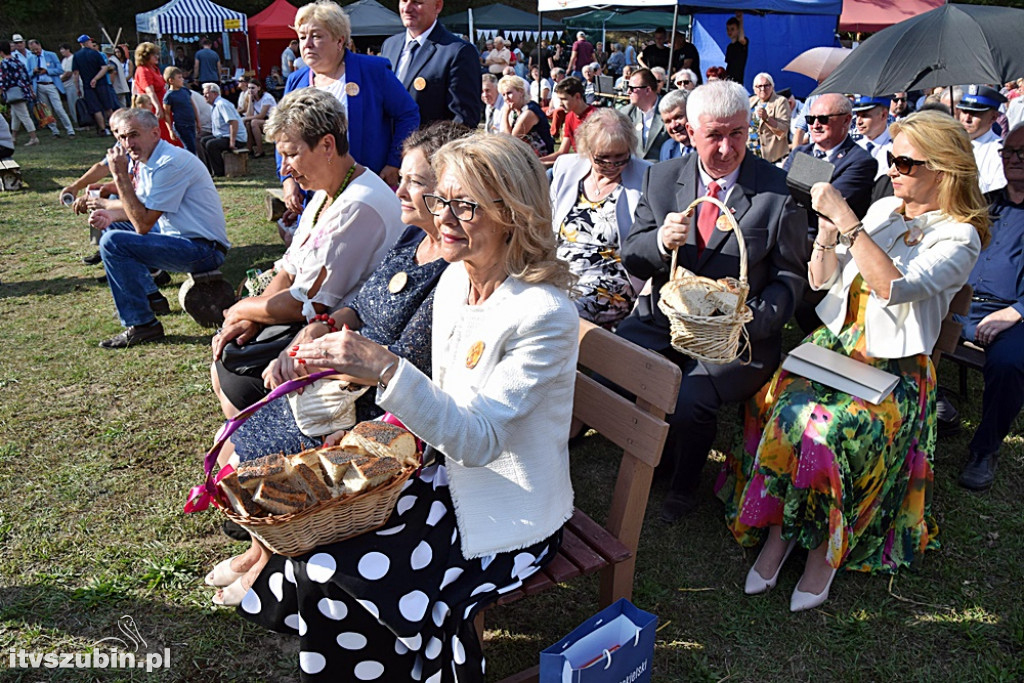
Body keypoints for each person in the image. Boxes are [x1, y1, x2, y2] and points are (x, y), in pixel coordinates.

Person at [231, 132, 578, 682]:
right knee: (321, 552)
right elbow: (443, 408)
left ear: (513, 214)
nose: (444, 216)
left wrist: (388, 370)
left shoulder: (543, 313)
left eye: (465, 205)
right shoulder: (455, 284)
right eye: (442, 200)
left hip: (512, 512)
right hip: (444, 481)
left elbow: (480, 439)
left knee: (345, 573)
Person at [716, 110, 987, 611]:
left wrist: (848, 221)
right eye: (892, 158)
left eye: (905, 161)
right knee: (778, 408)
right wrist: (826, 234)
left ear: (944, 169)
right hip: (840, 349)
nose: (894, 169)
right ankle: (782, 529)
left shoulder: (959, 235)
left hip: (896, 369)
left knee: (827, 431)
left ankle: (823, 548)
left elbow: (893, 286)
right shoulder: (885, 212)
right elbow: (823, 279)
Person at [204, 122, 471, 605]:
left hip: (384, 406)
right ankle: (261, 552)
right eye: (403, 178)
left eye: (416, 182)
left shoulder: (455, 265)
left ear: (451, 191)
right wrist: (318, 328)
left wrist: (318, 364)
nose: (400, 190)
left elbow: (407, 364)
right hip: (344, 378)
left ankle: (267, 565)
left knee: (267, 460)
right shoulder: (414, 239)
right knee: (239, 447)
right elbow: (361, 306)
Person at [616, 79, 808, 524]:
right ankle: (654, 455)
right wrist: (661, 242)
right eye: (714, 136)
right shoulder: (662, 177)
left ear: (749, 128)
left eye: (737, 134)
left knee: (691, 398)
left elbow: (790, 279)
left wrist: (745, 322)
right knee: (620, 363)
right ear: (689, 130)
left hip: (737, 337)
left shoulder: (779, 192)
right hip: (669, 318)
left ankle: (683, 484)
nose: (726, 148)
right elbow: (634, 254)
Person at [211, 88, 403, 416]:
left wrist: (240, 309)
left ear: (327, 145)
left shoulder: (358, 204)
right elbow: (288, 270)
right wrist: (251, 320)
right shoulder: (326, 192)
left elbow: (308, 303)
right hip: (314, 323)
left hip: (345, 340)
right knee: (227, 357)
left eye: (291, 154)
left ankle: (255, 451)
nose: (284, 168)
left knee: (234, 376)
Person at [91, 108, 230, 348]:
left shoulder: (169, 163)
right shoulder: (150, 159)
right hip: (179, 238)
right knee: (114, 230)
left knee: (113, 242)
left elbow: (143, 224)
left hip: (203, 249)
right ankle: (151, 298)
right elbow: (141, 209)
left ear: (155, 133)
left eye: (133, 135)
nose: (127, 143)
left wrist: (120, 176)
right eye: (122, 137)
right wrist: (110, 214)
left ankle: (143, 324)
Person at [945, 123, 1024, 491]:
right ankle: (933, 406)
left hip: (1012, 313)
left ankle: (985, 448)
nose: (1014, 160)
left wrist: (1014, 312)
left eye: (1022, 153)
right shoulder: (983, 203)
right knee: (909, 324)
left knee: (1009, 364)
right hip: (961, 301)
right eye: (1008, 152)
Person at [282, 0, 419, 195]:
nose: (307, 44)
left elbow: (408, 114)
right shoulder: (296, 81)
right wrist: (288, 180)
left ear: (339, 41)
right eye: (303, 37)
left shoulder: (373, 70)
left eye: (316, 36)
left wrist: (395, 161)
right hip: (314, 193)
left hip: (367, 185)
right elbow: (285, 137)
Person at [551, 108, 650, 327]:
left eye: (620, 158)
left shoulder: (646, 177)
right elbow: (549, 227)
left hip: (611, 281)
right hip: (560, 270)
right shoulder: (567, 168)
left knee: (561, 312)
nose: (612, 166)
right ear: (587, 150)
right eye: (602, 159)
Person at [381, 0, 482, 128]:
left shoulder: (458, 52)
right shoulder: (390, 45)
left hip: (429, 146)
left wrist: (424, 147)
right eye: (404, 1)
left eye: (417, 2)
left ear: (438, 6)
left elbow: (463, 121)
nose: (407, 8)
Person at [785, 93, 877, 223]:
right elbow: (781, 194)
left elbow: (826, 205)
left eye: (823, 119)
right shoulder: (799, 153)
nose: (815, 125)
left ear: (846, 120)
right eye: (810, 119)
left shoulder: (861, 161)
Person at [957, 85, 1008, 195]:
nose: (966, 119)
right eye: (964, 111)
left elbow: (996, 196)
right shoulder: (950, 145)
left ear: (994, 117)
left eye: (975, 113)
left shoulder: (999, 152)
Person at [26, 39, 75, 138]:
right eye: (33, 50)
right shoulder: (30, 58)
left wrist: (47, 71)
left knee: (58, 108)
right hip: (39, 85)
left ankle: (70, 129)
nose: (35, 52)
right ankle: (54, 131)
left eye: (36, 49)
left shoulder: (51, 55)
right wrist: (34, 71)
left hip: (51, 84)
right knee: (46, 110)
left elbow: (60, 70)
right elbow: (27, 74)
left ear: (39, 45)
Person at [539, 77, 593, 167]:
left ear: (577, 97)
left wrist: (542, 164)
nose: (560, 104)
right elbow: (562, 152)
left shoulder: (594, 119)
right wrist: (536, 161)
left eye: (564, 99)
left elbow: (589, 158)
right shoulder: (569, 116)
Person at [134, 42, 180, 147]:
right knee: (161, 137)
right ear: (145, 56)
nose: (157, 56)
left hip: (163, 106)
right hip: (153, 108)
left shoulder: (154, 68)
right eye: (153, 54)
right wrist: (158, 107)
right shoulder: (143, 70)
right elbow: (149, 91)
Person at [618, 68, 667, 162]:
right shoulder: (625, 113)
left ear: (647, 90)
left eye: (632, 89)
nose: (628, 92)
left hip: (661, 169)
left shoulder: (667, 111)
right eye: (627, 88)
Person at [197, 83, 246, 177]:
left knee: (211, 144)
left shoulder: (222, 104)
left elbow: (233, 122)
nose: (204, 96)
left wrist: (232, 142)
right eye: (204, 93)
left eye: (207, 93)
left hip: (237, 138)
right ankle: (209, 170)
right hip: (223, 136)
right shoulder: (214, 106)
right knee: (202, 140)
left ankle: (219, 172)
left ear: (215, 94)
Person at [72, 34, 117, 136]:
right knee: (108, 107)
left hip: (87, 86)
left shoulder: (77, 56)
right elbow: (104, 68)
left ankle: (102, 129)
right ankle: (114, 127)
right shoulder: (95, 54)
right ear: (87, 42)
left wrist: (77, 88)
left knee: (96, 109)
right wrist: (96, 78)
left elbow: (76, 73)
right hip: (101, 84)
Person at [499, 74, 554, 156]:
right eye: (503, 95)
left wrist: (505, 113)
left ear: (521, 92)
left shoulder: (530, 111)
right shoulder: (516, 111)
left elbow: (511, 141)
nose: (506, 98)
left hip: (541, 159)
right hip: (526, 156)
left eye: (509, 93)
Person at [0, 41, 40, 146]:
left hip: (13, 93)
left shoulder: (4, 63)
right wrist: (31, 90)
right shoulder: (17, 61)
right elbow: (26, 76)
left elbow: (3, 80)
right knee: (15, 115)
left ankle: (34, 137)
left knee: (24, 115)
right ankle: (13, 138)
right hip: (23, 90)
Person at [747, 72, 790, 164]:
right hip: (751, 156)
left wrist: (767, 119)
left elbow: (783, 131)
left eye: (766, 85)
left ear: (772, 87)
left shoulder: (780, 102)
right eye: (759, 86)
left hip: (772, 159)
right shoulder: (750, 101)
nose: (763, 89)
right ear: (754, 89)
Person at [852, 95, 893, 177]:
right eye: (857, 115)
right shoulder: (855, 147)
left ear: (883, 115)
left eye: (864, 116)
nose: (858, 122)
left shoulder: (896, 147)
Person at [163, 66, 200, 154]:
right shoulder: (169, 96)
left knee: (193, 146)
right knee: (190, 148)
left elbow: (193, 105)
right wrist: (170, 130)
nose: (182, 79)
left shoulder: (185, 90)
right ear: (171, 80)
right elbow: (166, 114)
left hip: (191, 123)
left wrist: (198, 121)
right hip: (182, 125)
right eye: (179, 78)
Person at [242, 79, 276, 157]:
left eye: (253, 88)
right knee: (248, 123)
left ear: (259, 88)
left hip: (273, 120)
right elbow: (249, 115)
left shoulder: (266, 97)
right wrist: (250, 100)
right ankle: (249, 149)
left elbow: (262, 115)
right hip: (264, 121)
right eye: (249, 88)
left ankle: (260, 150)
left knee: (254, 122)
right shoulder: (253, 98)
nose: (250, 90)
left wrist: (246, 118)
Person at [658, 88, 692, 161]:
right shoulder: (667, 148)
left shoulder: (708, 146)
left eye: (678, 117)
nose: (673, 125)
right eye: (668, 121)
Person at [59, 44, 82, 130]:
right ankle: (77, 121)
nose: (62, 52)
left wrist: (58, 81)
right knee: (71, 104)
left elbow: (68, 73)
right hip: (66, 86)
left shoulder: (72, 59)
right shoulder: (64, 60)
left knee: (75, 104)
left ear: (68, 49)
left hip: (73, 84)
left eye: (63, 49)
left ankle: (81, 122)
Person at [725, 12, 749, 85]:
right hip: (728, 81)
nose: (729, 32)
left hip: (738, 81)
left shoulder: (742, 44)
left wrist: (740, 21)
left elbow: (741, 39)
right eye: (728, 29)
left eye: (732, 29)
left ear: (738, 30)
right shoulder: (729, 47)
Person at [107, 44, 131, 108]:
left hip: (116, 88)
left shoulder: (111, 61)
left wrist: (110, 85)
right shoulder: (116, 60)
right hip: (122, 87)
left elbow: (113, 73)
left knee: (118, 109)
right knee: (123, 106)